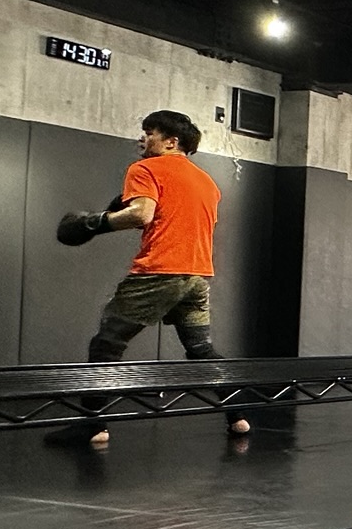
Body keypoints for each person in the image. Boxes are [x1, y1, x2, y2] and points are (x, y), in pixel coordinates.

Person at [44, 111, 248, 448]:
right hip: (196, 277)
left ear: (171, 142)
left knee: (106, 345)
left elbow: (142, 214)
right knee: (201, 349)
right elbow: (176, 221)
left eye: (150, 132)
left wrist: (94, 223)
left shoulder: (146, 169)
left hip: (158, 273)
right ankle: (239, 416)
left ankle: (93, 426)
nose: (143, 138)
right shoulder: (207, 182)